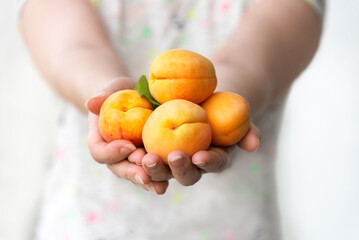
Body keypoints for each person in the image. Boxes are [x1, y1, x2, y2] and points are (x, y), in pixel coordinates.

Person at [19, 0, 325, 239]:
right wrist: (103, 95)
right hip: (85, 225)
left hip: (231, 227)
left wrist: (222, 102)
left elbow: (251, 63)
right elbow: (74, 50)